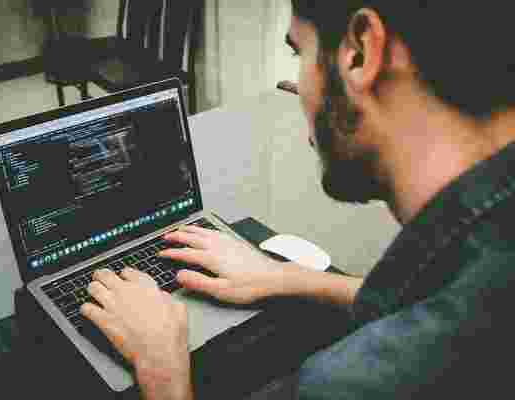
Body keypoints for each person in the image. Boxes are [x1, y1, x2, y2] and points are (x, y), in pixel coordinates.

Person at [80, 1, 515, 399]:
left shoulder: (353, 383)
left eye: (299, 53)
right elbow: (431, 292)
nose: (299, 89)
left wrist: (163, 368)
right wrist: (283, 276)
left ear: (360, 52)